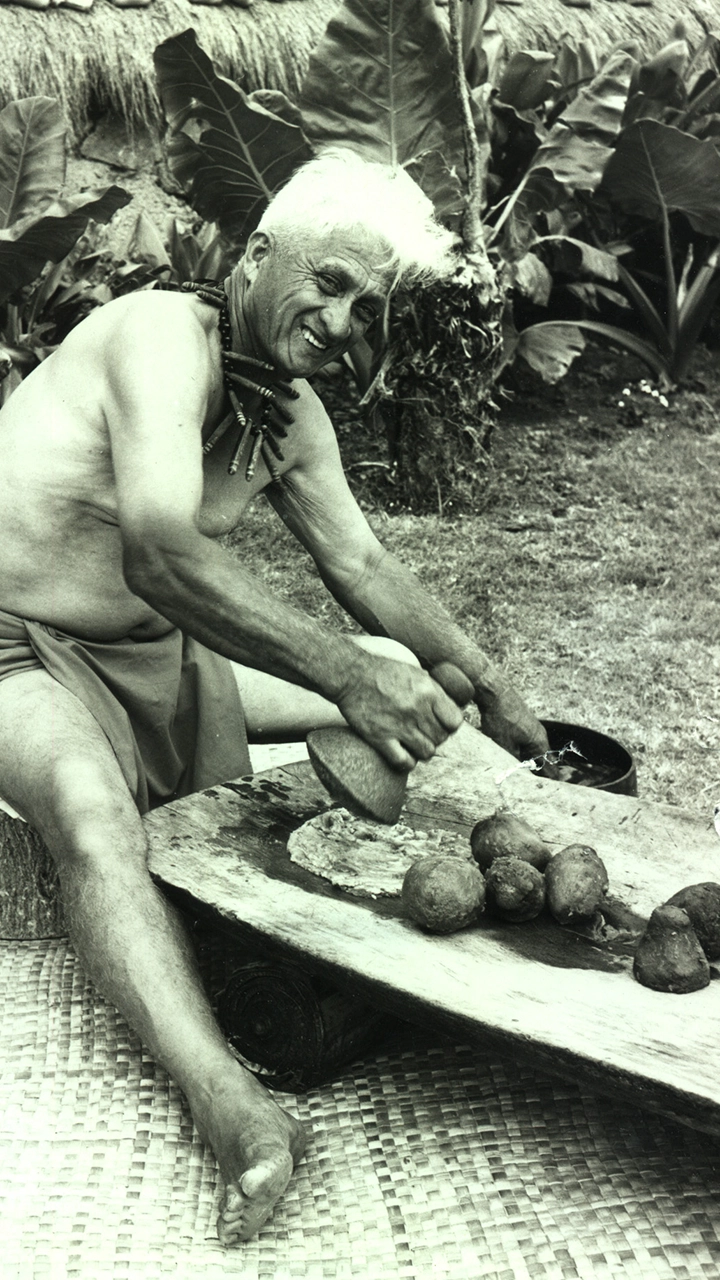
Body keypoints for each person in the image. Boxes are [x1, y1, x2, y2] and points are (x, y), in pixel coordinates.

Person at [0, 148, 548, 1244]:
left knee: (406, 672)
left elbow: (367, 569)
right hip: (15, 647)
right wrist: (353, 677)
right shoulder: (161, 336)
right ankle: (234, 1105)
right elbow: (159, 548)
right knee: (95, 818)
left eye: (367, 303)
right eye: (328, 281)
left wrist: (491, 689)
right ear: (257, 256)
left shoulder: (287, 415)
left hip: (164, 656)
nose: (344, 318)